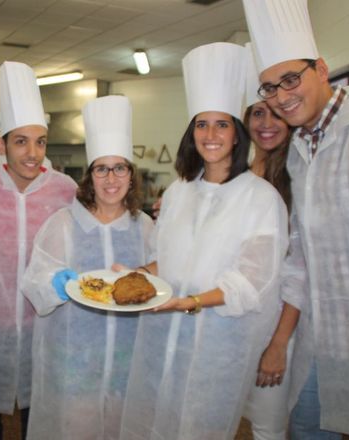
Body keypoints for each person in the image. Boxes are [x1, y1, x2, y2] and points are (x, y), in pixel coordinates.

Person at [243, 0, 349, 437]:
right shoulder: (302, 148)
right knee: (304, 426)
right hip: (325, 341)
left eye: (290, 79)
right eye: (268, 87)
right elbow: (301, 255)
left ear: (320, 69)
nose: (281, 96)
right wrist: (280, 342)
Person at [119, 42, 289, 439]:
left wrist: (192, 302)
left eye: (222, 124)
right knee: (155, 423)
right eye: (201, 124)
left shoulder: (261, 198)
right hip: (163, 339)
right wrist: (136, 276)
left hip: (218, 344)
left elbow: (252, 282)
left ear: (237, 134)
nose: (210, 134)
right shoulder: (179, 192)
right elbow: (166, 260)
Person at [21, 95, 154, 439]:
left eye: (119, 167)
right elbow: (33, 284)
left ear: (131, 174)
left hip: (128, 367)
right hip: (75, 367)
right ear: (90, 175)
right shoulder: (63, 224)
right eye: (101, 168)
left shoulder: (145, 227)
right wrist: (55, 284)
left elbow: (161, 280)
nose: (111, 178)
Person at [0, 61, 77, 440]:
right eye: (21, 141)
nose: (33, 153)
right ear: (1, 144)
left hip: (44, 327)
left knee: (40, 416)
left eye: (40, 141)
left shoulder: (65, 189)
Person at [241, 43, 294, 440]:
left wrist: (278, 343)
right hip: (238, 321)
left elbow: (299, 269)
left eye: (277, 113)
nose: (267, 122)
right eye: (258, 112)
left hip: (282, 323)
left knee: (268, 426)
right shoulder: (239, 178)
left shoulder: (296, 177)